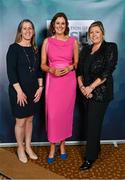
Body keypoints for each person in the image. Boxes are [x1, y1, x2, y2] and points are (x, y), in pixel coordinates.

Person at [77, 21, 118, 170]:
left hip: (100, 93)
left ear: (103, 33)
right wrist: (82, 87)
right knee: (91, 123)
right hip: (85, 92)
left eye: (97, 32)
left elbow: (107, 71)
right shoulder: (86, 50)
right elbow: (79, 71)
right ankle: (96, 149)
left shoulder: (110, 47)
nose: (94, 35)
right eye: (91, 32)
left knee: (92, 125)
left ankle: (89, 158)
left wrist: (90, 88)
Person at [41, 12, 79, 164]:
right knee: (53, 115)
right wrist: (52, 70)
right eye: (57, 23)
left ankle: (62, 145)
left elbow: (77, 63)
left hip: (68, 82)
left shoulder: (73, 41)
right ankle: (52, 146)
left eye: (63, 23)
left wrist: (70, 68)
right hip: (53, 80)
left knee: (65, 114)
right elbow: (42, 65)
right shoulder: (47, 42)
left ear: (66, 25)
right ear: (53, 25)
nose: (60, 26)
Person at [6, 19, 43, 163]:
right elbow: (11, 72)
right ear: (20, 31)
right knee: (20, 122)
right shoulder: (13, 48)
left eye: (30, 28)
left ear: (33, 31)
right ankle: (20, 148)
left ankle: (28, 147)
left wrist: (40, 88)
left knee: (30, 120)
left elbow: (39, 71)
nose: (27, 31)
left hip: (33, 90)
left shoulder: (35, 49)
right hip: (18, 91)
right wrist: (19, 92)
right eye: (24, 28)